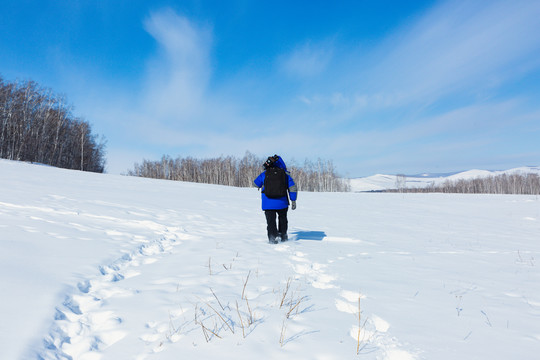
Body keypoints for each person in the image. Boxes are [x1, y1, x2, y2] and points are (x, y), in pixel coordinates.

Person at [253, 155, 297, 243]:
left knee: (271, 222)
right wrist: (293, 200)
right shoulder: (285, 175)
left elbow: (255, 184)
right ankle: (283, 236)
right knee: (283, 219)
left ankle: (273, 238)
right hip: (282, 202)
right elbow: (293, 188)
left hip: (268, 203)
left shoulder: (264, 174)